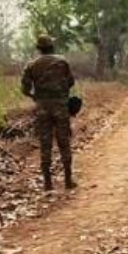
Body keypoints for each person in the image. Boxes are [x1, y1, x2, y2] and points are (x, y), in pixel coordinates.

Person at [21, 35, 76, 191]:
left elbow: (25, 89)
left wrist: (36, 97)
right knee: (64, 141)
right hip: (60, 106)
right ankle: (68, 180)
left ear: (39, 48)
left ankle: (48, 183)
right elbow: (71, 82)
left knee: (45, 143)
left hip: (42, 108)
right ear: (52, 46)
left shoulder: (31, 65)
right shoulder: (62, 61)